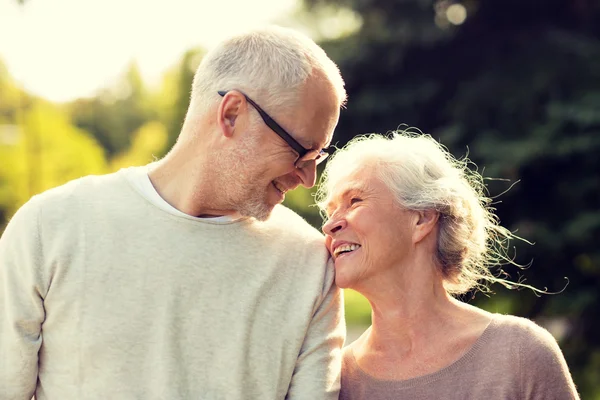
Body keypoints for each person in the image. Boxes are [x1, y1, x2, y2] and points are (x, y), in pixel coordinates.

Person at [0, 26, 347, 399]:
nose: (309, 177)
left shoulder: (311, 265)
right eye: (301, 150)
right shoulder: (49, 228)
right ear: (231, 115)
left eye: (318, 156)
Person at [317, 131, 579, 399]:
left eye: (354, 201)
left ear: (421, 219)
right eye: (330, 211)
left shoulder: (520, 353)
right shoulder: (334, 382)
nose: (330, 225)